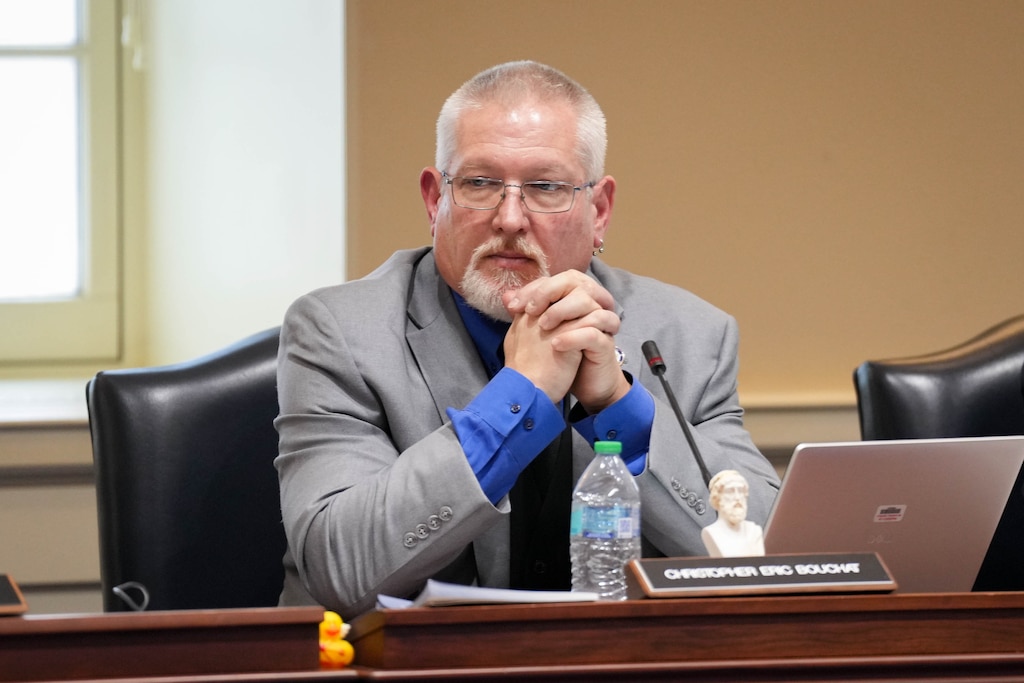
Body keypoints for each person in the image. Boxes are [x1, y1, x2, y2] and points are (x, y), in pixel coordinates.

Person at [275, 60, 780, 619]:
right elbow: (339, 569)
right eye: (479, 183)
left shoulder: (688, 336)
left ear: (600, 211)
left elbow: (771, 562)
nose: (510, 218)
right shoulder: (339, 332)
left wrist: (620, 406)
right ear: (433, 201)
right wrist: (519, 395)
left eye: (545, 187)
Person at [700, 469, 766, 558]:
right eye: (730, 491)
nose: (737, 497)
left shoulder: (754, 531)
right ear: (717, 498)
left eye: (741, 491)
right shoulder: (711, 532)